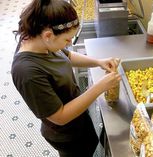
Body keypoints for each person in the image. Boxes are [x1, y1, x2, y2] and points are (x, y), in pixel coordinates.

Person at [11, 0, 121, 156]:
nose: (69, 43)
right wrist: (99, 87)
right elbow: (60, 117)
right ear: (48, 35)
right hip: (66, 134)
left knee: (89, 145)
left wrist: (98, 62)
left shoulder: (39, 40)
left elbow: (66, 56)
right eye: (67, 39)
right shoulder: (27, 72)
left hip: (79, 118)